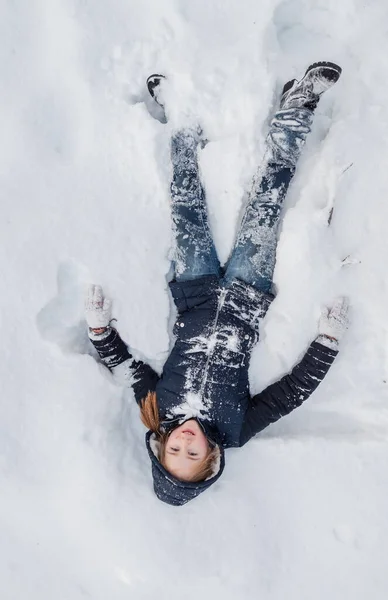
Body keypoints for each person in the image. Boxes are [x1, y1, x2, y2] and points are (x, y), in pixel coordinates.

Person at [85, 62, 349, 506]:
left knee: (186, 208)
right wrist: (327, 343)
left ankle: (180, 119)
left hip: (196, 292)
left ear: (161, 444)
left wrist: (99, 331)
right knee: (268, 200)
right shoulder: (237, 428)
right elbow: (290, 394)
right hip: (247, 297)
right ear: (211, 458)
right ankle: (298, 108)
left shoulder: (157, 409)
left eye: (174, 449)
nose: (185, 441)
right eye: (192, 453)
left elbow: (127, 367)